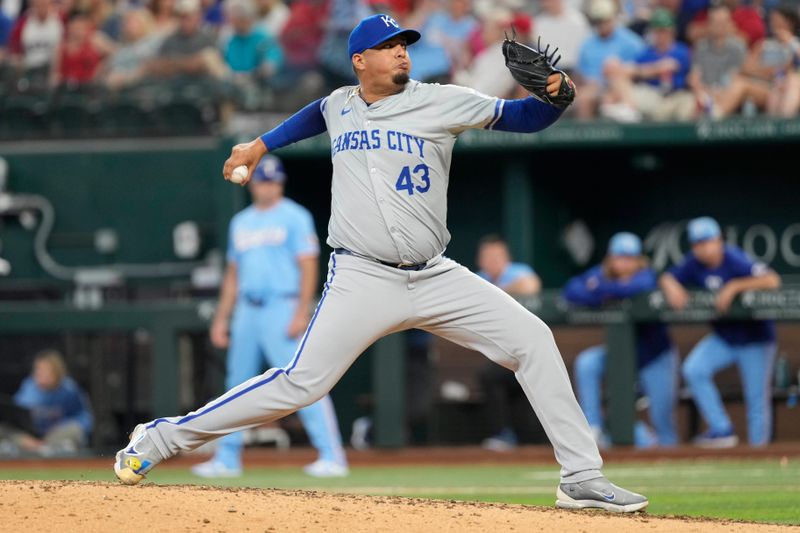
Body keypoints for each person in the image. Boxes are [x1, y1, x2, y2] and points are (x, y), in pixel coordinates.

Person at [116, 12, 649, 513]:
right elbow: (311, 116)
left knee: (533, 339)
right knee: (301, 383)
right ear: (359, 61)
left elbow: (524, 118)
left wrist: (558, 95)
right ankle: (161, 437)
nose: (401, 54)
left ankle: (580, 476)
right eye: (388, 47)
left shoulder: (442, 100)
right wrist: (259, 145)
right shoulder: (338, 104)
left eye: (404, 46)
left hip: (435, 274)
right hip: (362, 276)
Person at [192, 154, 349, 478]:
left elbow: (308, 266)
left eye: (274, 180)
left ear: (281, 182)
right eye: (263, 180)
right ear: (253, 183)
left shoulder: (295, 217)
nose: (269, 186)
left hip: (282, 305)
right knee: (236, 385)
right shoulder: (241, 222)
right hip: (248, 310)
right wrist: (222, 318)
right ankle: (228, 458)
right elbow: (233, 275)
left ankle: (332, 455)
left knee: (303, 381)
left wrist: (302, 311)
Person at [659, 217, 782, 447]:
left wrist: (735, 286)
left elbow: (772, 280)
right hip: (725, 338)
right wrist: (672, 285)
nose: (703, 248)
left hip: (755, 338)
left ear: (718, 240)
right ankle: (721, 428)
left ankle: (760, 455)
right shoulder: (693, 263)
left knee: (756, 401)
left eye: (707, 241)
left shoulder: (733, 257)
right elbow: (667, 276)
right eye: (697, 244)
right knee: (694, 369)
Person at [564, 232, 678, 449]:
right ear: (611, 258)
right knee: (587, 362)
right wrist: (609, 290)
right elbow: (571, 290)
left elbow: (635, 287)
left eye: (629, 258)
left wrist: (600, 290)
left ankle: (669, 463)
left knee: (663, 423)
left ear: (638, 260)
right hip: (620, 355)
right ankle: (593, 428)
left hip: (654, 357)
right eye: (620, 257)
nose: (624, 263)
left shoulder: (648, 275)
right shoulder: (602, 274)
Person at [474, 235, 542, 451]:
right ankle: (502, 435)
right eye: (488, 257)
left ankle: (515, 436)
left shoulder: (517, 271)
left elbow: (531, 285)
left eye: (497, 256)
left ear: (506, 258)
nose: (493, 261)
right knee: (490, 375)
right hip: (497, 354)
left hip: (526, 350)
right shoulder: (477, 278)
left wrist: (495, 292)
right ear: (480, 260)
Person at [601, 9, 694, 122]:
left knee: (688, 102)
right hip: (652, 95)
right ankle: (627, 109)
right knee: (616, 74)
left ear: (672, 31)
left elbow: (673, 66)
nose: (661, 35)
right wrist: (655, 68)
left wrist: (648, 70)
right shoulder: (647, 53)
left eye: (664, 31)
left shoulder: (681, 50)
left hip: (676, 96)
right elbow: (629, 71)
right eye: (658, 31)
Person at [4, 350, 93, 456]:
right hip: (30, 437)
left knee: (75, 430)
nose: (40, 373)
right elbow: (14, 415)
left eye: (45, 370)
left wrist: (61, 426)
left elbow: (85, 419)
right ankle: (27, 448)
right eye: (38, 369)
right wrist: (25, 438)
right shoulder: (28, 386)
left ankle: (50, 449)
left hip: (53, 437)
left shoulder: (69, 389)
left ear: (57, 371)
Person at [575, 0, 646, 120]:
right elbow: (580, 75)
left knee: (613, 66)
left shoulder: (631, 41)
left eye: (605, 20)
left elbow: (641, 68)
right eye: (598, 21)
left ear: (613, 18)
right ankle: (586, 136)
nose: (601, 24)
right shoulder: (587, 45)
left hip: (624, 85)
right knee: (584, 98)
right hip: (596, 86)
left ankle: (629, 114)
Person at [686, 4, 747, 118]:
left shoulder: (737, 47)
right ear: (709, 24)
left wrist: (716, 93)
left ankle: (713, 116)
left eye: (723, 23)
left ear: (729, 24)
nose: (719, 26)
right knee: (690, 102)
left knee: (736, 88)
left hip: (726, 96)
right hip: (704, 94)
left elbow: (735, 77)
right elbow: (694, 77)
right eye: (715, 22)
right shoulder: (700, 47)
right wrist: (704, 92)